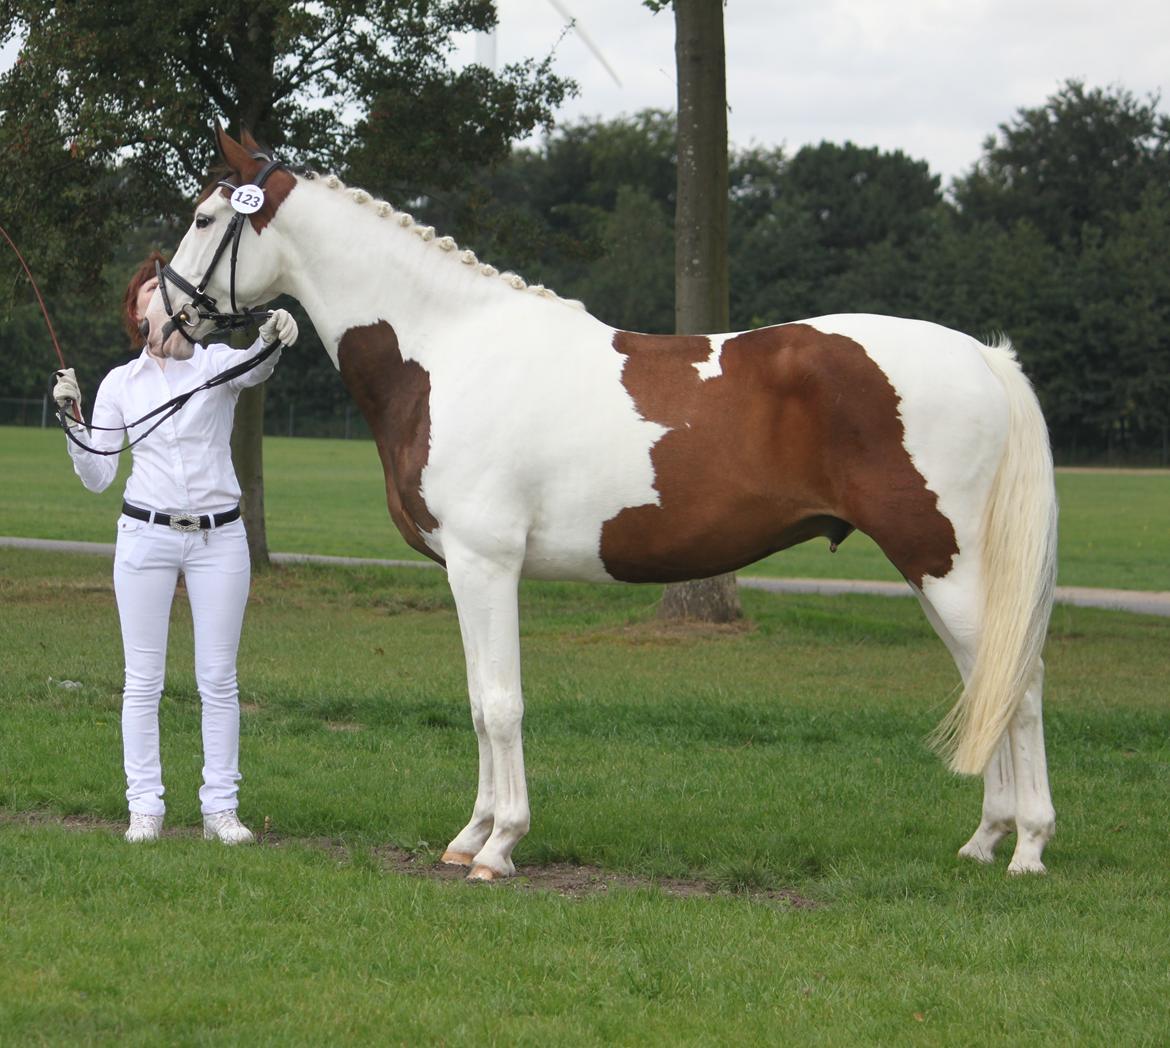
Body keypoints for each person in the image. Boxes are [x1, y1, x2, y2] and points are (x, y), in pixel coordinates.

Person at [51, 251, 298, 844]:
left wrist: (277, 333)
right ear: (140, 319)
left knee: (218, 679)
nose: (166, 302)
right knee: (143, 680)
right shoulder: (120, 384)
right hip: (146, 536)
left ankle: (220, 810)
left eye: (170, 294)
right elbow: (98, 474)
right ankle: (146, 808)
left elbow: (255, 368)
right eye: (153, 296)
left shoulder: (214, 363)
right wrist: (74, 422)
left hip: (220, 538)